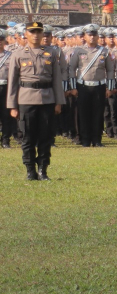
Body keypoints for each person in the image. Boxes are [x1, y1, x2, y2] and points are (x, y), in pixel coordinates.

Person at [6, 21, 65, 180]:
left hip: (47, 99)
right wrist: (12, 105)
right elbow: (12, 82)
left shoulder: (51, 53)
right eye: (32, 32)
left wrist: (59, 101)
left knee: (46, 136)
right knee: (27, 137)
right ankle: (30, 170)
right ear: (26, 34)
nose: (36, 35)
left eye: (39, 32)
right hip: (25, 99)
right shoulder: (18, 54)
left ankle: (43, 170)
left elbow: (57, 80)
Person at [66, 24, 112, 147]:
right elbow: (71, 69)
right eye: (89, 35)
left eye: (94, 35)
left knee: (98, 113)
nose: (92, 37)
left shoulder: (104, 51)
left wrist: (109, 87)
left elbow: (110, 70)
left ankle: (97, 139)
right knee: (83, 114)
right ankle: (85, 139)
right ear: (85, 36)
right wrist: (73, 87)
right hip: (83, 86)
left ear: (98, 36)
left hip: (99, 86)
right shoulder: (78, 51)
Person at [0, 30, 14, 148]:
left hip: (6, 87)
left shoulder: (10, 55)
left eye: (1, 40)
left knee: (6, 115)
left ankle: (5, 140)